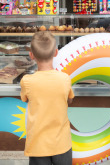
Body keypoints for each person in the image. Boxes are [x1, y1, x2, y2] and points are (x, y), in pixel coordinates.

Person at [20, 31, 74, 165]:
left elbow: (25, 98)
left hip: (38, 144)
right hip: (62, 143)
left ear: (31, 55)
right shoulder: (65, 79)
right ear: (56, 52)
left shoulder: (27, 81)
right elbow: (70, 99)